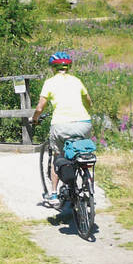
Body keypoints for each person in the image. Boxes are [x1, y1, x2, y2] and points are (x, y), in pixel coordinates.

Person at [30, 51, 93, 203]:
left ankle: (53, 194)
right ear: (68, 67)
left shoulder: (50, 83)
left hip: (61, 125)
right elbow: (88, 102)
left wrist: (35, 119)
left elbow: (40, 107)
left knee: (58, 156)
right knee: (82, 152)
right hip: (84, 123)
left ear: (53, 67)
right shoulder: (77, 81)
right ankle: (87, 181)